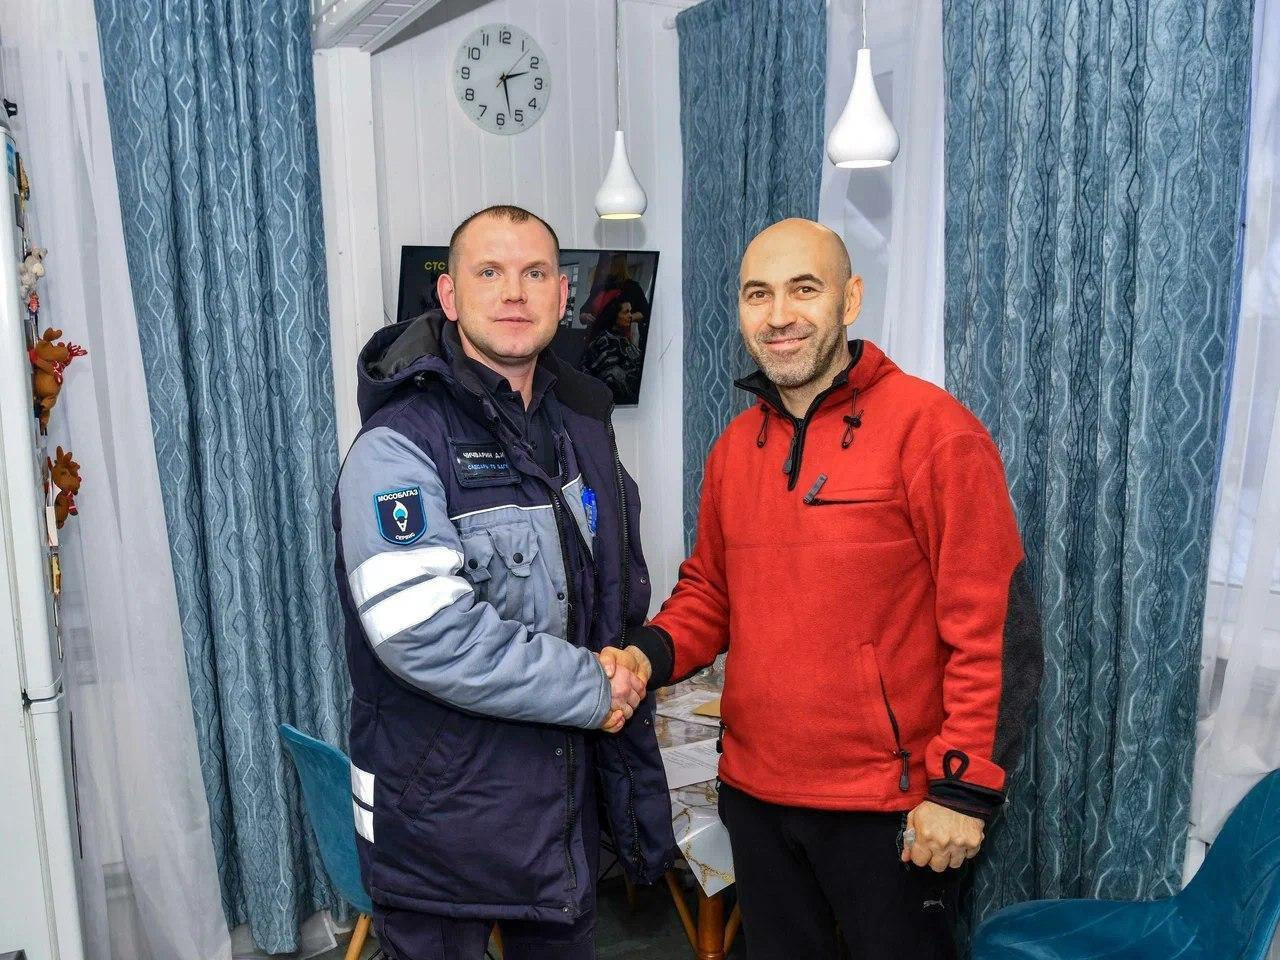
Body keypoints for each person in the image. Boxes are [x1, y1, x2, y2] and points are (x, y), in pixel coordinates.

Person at [611, 218, 1044, 959]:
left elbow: (994, 629)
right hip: (754, 794)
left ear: (850, 300)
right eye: (758, 294)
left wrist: (963, 790)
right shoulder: (733, 449)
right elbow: (710, 593)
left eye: (803, 289)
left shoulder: (934, 431)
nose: (779, 314)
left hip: (891, 808)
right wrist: (643, 655)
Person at [332, 204, 675, 960]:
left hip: (558, 820)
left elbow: (610, 594)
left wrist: (626, 664)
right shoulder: (398, 444)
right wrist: (595, 687)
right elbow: (426, 634)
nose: (514, 292)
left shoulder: (581, 427)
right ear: (449, 296)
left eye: (535, 273)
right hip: (440, 828)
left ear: (563, 294)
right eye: (489, 272)